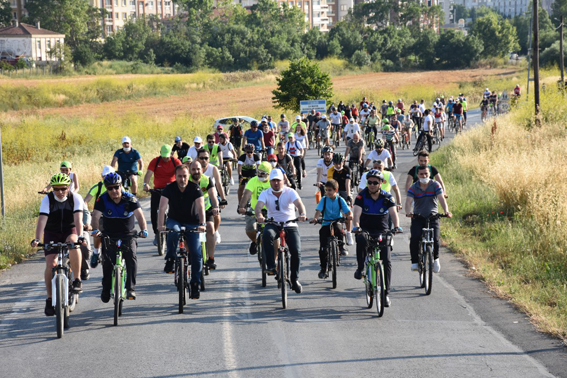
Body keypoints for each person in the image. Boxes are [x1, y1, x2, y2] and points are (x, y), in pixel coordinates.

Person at [31, 173, 85, 316]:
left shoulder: (75, 198)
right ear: (52, 189)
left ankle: (77, 279)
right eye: (56, 189)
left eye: (63, 189)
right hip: (52, 232)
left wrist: (80, 236)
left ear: (68, 187)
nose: (60, 192)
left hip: (70, 229)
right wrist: (37, 238)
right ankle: (49, 298)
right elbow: (42, 220)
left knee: (74, 243)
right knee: (51, 264)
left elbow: (78, 219)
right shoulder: (47, 199)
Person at [90, 172, 148, 301]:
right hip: (109, 234)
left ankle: (131, 289)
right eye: (110, 188)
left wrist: (144, 230)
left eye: (116, 187)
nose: (114, 191)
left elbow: (139, 215)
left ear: (121, 186)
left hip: (128, 234)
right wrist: (95, 230)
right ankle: (106, 288)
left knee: (131, 257)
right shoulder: (102, 199)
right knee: (107, 262)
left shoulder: (130, 198)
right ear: (106, 188)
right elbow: (95, 216)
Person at [352, 169, 402, 307]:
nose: (372, 185)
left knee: (387, 261)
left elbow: (393, 213)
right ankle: (361, 267)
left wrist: (396, 227)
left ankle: (386, 294)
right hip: (366, 229)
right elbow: (356, 215)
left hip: (382, 231)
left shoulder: (387, 197)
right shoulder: (361, 197)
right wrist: (356, 226)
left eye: (375, 182)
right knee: (361, 239)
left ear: (381, 183)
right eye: (369, 182)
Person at [158, 164, 206, 299]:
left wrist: (202, 224)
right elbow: (162, 208)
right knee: (174, 231)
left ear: (188, 176)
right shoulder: (169, 188)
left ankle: (195, 283)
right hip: (175, 220)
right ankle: (170, 259)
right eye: (179, 176)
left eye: (185, 176)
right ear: (176, 177)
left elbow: (201, 207)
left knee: (196, 253)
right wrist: (160, 225)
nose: (182, 179)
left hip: (192, 223)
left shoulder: (195, 188)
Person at [255, 169, 307, 294]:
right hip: (273, 223)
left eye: (278, 180)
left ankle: (294, 280)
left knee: (296, 251)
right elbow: (258, 207)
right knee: (266, 234)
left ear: (283, 181)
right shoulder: (265, 193)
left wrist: (302, 214)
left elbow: (299, 204)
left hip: (290, 224)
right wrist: (259, 215)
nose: (276, 183)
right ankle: (271, 265)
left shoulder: (290, 192)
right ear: (270, 182)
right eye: (273, 180)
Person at [405, 165, 452, 273]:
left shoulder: (435, 185)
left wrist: (446, 211)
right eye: (421, 174)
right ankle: (415, 262)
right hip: (418, 217)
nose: (424, 176)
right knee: (415, 237)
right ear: (417, 175)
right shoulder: (414, 187)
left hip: (433, 217)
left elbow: (441, 199)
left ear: (429, 174)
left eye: (426, 173)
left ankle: (435, 259)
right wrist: (409, 212)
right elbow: (408, 202)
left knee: (435, 238)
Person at [310, 179, 353, 279]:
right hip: (326, 222)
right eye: (326, 190)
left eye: (330, 190)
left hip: (336, 221)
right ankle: (323, 268)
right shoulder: (324, 199)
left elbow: (347, 211)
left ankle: (341, 246)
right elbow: (318, 210)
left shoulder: (340, 199)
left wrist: (349, 216)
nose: (328, 192)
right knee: (323, 248)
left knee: (338, 228)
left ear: (336, 190)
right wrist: (316, 218)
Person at [143, 144, 181, 246]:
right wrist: (145, 184)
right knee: (154, 212)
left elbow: (181, 174)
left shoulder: (175, 162)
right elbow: (148, 174)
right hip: (158, 190)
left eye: (167, 156)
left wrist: (179, 185)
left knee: (175, 209)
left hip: (172, 189)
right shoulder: (155, 161)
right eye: (163, 156)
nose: (165, 158)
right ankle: (157, 233)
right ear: (160, 153)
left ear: (171, 154)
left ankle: (174, 231)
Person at [188, 160, 220, 272]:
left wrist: (216, 206)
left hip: (206, 210)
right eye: (193, 169)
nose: (196, 172)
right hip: (190, 212)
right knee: (186, 231)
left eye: (198, 169)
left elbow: (213, 195)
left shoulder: (207, 180)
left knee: (211, 228)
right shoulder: (186, 181)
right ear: (189, 171)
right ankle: (189, 254)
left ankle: (211, 258)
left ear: (202, 170)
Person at [197, 148, 228, 257]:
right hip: (196, 198)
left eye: (206, 158)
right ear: (198, 158)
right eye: (201, 158)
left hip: (211, 195)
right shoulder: (194, 169)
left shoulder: (213, 168)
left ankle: (215, 230)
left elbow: (219, 184)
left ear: (209, 159)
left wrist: (223, 199)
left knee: (216, 213)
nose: (204, 160)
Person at [237, 162, 273, 253]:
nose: (260, 174)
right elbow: (246, 195)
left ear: (269, 174)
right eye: (259, 172)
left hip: (270, 210)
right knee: (250, 229)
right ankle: (255, 241)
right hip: (254, 210)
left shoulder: (273, 182)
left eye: (263, 173)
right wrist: (241, 207)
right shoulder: (253, 180)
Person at [84, 165, 115, 263]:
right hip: (100, 215)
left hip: (115, 215)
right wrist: (86, 212)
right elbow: (85, 201)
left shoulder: (118, 186)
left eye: (109, 175)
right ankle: (96, 252)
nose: (106, 178)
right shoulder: (98, 186)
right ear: (102, 176)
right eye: (104, 176)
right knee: (96, 231)